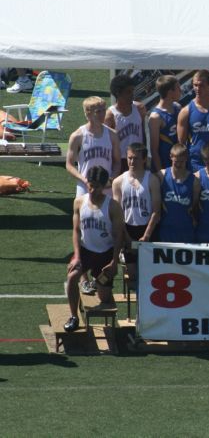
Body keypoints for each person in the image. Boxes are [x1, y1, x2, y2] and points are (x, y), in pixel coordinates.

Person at [64, 166, 125, 332]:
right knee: (72, 278)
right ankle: (74, 316)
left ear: (104, 185)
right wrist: (76, 256)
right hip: (85, 252)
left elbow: (119, 236)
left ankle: (97, 281)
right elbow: (76, 231)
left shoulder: (113, 207)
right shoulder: (79, 202)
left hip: (105, 255)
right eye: (90, 185)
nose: (92, 189)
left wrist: (114, 262)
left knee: (104, 297)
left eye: (96, 186)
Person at [112, 142, 161, 281]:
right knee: (132, 276)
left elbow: (156, 212)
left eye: (136, 158)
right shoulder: (118, 181)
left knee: (150, 275)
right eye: (129, 158)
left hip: (147, 229)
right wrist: (126, 237)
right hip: (128, 229)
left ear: (144, 159)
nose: (132, 161)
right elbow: (118, 213)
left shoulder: (151, 180)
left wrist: (146, 236)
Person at [66, 96, 121, 198]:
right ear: (88, 113)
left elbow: (117, 162)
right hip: (85, 187)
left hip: (106, 187)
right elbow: (69, 165)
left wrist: (111, 179)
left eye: (103, 110)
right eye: (98, 111)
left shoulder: (112, 135)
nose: (102, 114)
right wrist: (84, 180)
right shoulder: (77, 136)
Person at [105, 74, 146, 174]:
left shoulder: (140, 108)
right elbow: (107, 142)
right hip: (120, 160)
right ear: (118, 93)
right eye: (128, 92)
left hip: (139, 157)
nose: (132, 95)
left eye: (132, 91)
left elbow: (143, 133)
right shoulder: (111, 114)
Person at [157, 143, 196, 244]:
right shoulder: (162, 175)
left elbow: (195, 206)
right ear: (170, 157)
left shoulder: (194, 180)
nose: (178, 165)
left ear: (186, 159)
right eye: (176, 162)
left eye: (181, 162)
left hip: (186, 230)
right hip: (166, 230)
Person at [147, 75, 182, 172]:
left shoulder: (178, 108)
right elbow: (154, 150)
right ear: (170, 92)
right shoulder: (155, 117)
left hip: (179, 165)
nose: (181, 90)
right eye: (178, 88)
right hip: (164, 167)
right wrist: (160, 173)